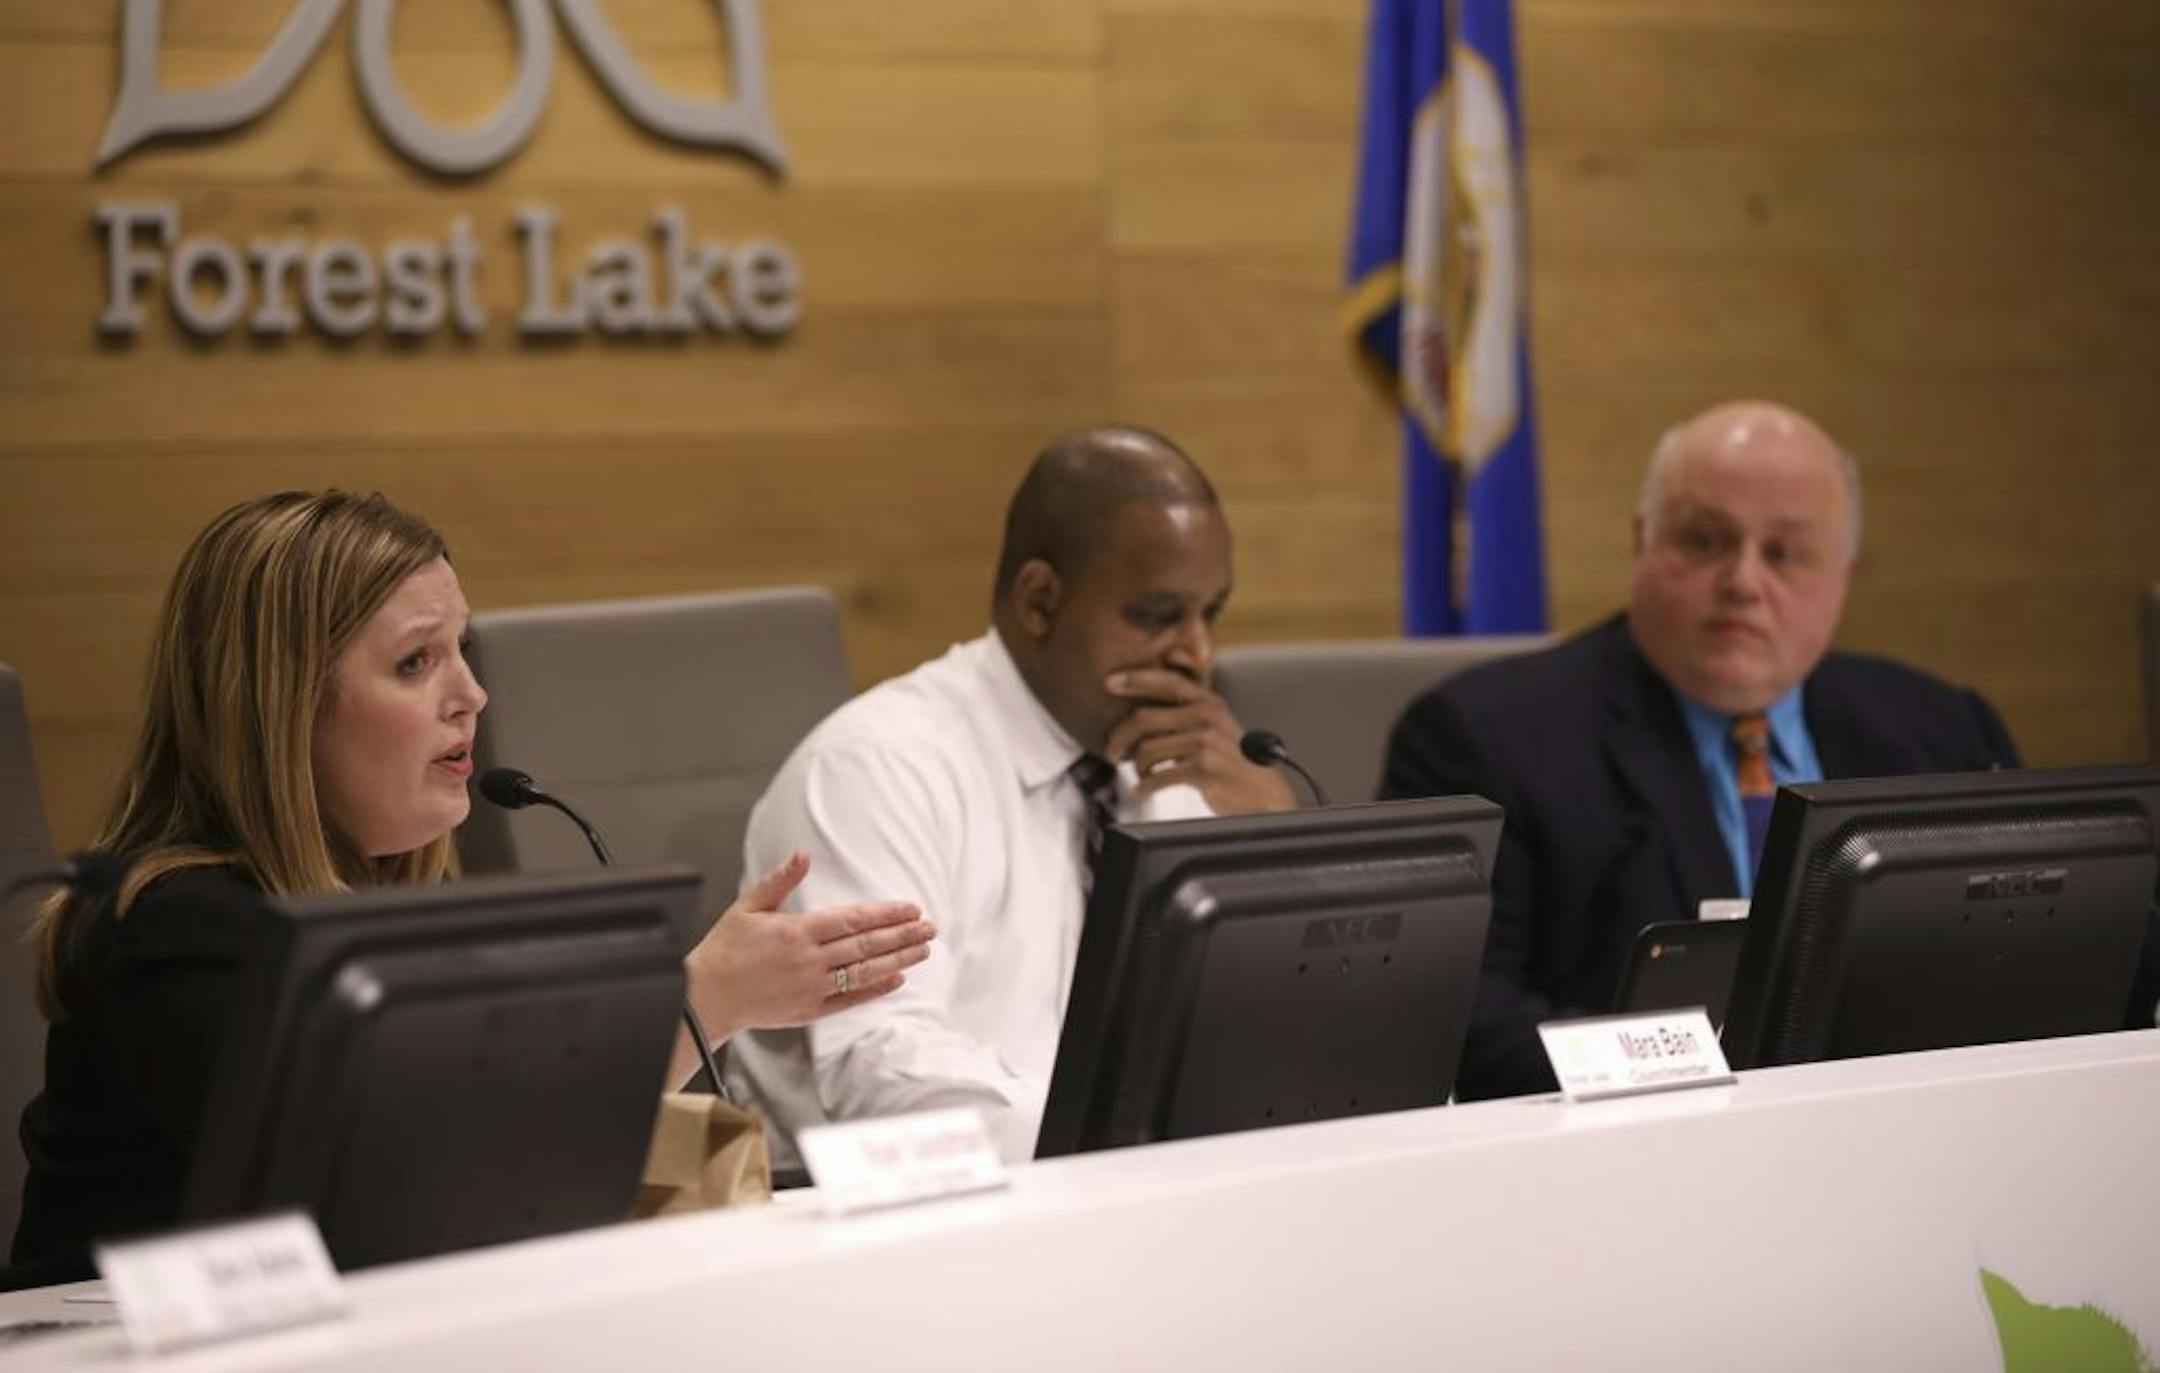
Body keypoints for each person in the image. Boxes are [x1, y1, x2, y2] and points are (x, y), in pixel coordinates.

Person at [10, 490, 933, 1282]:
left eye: (461, 650)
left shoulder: (361, 907)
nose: (472, 695)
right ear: (280, 706)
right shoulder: (174, 926)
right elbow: (425, 1183)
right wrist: (701, 997)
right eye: (417, 662)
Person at [1381, 401, 2023, 1101]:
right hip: (1619, 1161)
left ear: (1843, 573)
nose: (1744, 581)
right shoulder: (1483, 738)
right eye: (1706, 541)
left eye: (1783, 553)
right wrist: (1706, 1074)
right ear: (1642, 541)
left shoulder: (1942, 730)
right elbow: (1457, 1022)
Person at [725, 426, 1294, 1162]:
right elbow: (877, 1069)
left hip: (1139, 1198)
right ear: (1040, 600)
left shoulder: (1189, 770)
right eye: (1157, 616)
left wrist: (1273, 838)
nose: (1197, 654)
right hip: (896, 1235)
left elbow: (1263, 1037)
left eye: (1210, 614)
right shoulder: (878, 766)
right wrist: (1127, 1139)